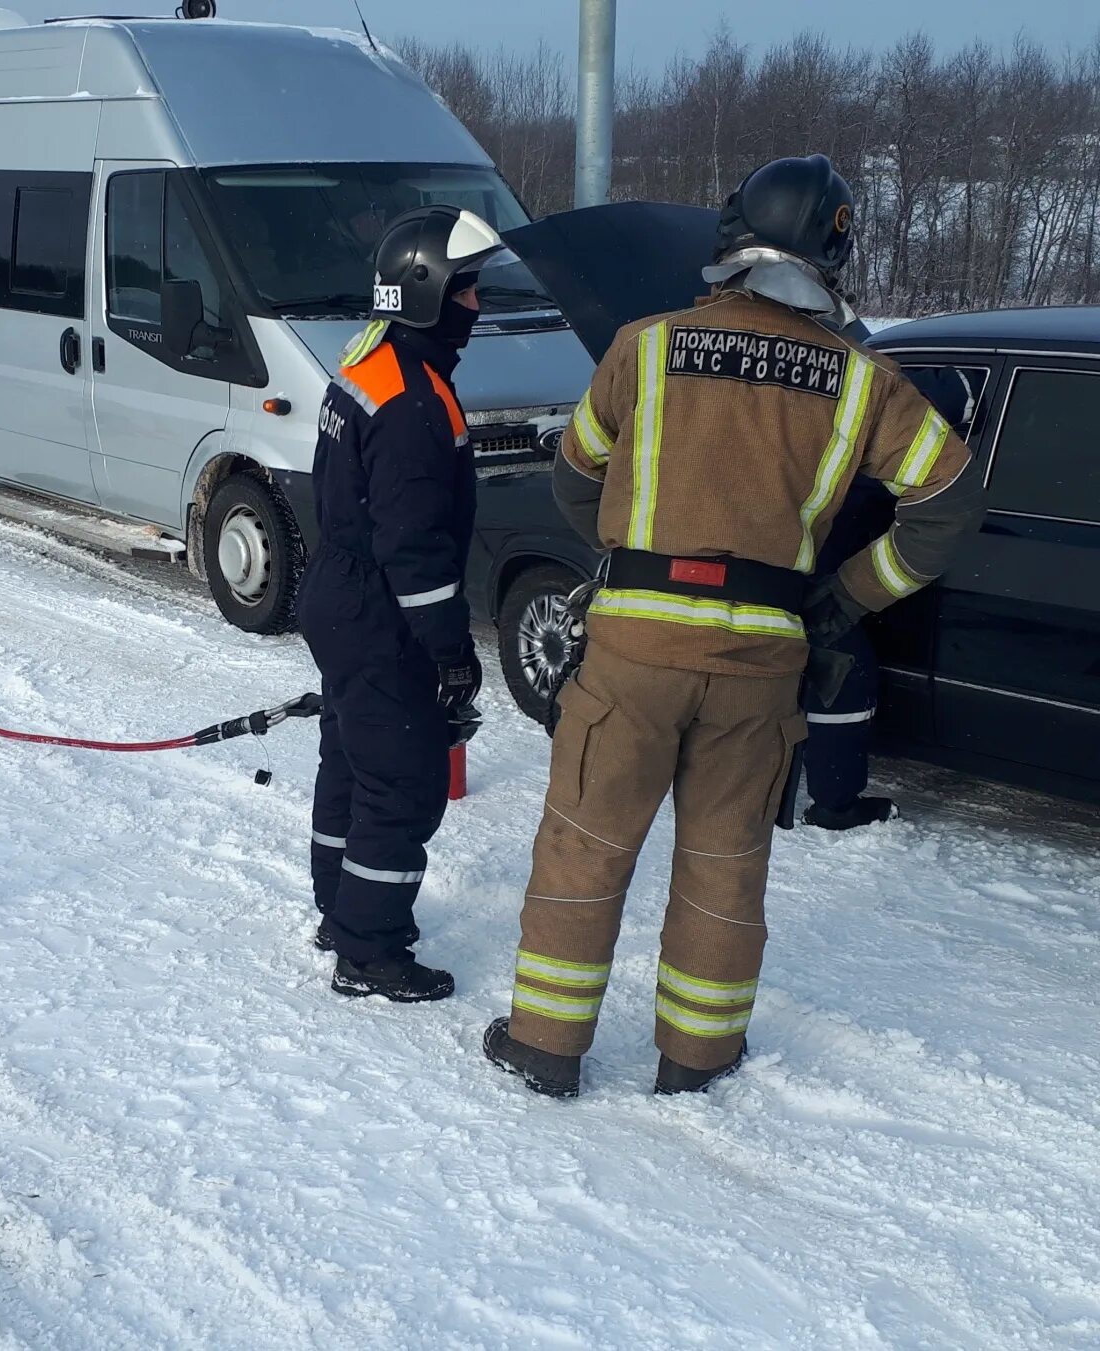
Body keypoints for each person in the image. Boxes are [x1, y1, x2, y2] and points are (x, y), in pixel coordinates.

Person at [483, 155, 986, 1096]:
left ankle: (546, 1048)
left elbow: (573, 472)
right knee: (725, 858)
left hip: (631, 653)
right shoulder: (863, 381)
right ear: (830, 259)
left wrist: (632, 541)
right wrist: (848, 596)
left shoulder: (646, 346)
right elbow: (951, 501)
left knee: (585, 843)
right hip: (762, 663)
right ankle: (697, 1057)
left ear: (732, 242)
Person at [301, 205, 511, 1002]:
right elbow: (416, 547)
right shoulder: (415, 402)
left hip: (341, 590)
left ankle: (340, 908)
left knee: (349, 756)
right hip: (380, 606)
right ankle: (369, 950)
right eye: (467, 291)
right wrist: (451, 650)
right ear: (426, 291)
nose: (476, 307)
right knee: (403, 780)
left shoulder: (371, 363)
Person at [801, 365, 976, 830]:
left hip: (786, 572)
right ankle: (834, 806)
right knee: (841, 677)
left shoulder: (850, 427)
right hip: (816, 586)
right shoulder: (904, 459)